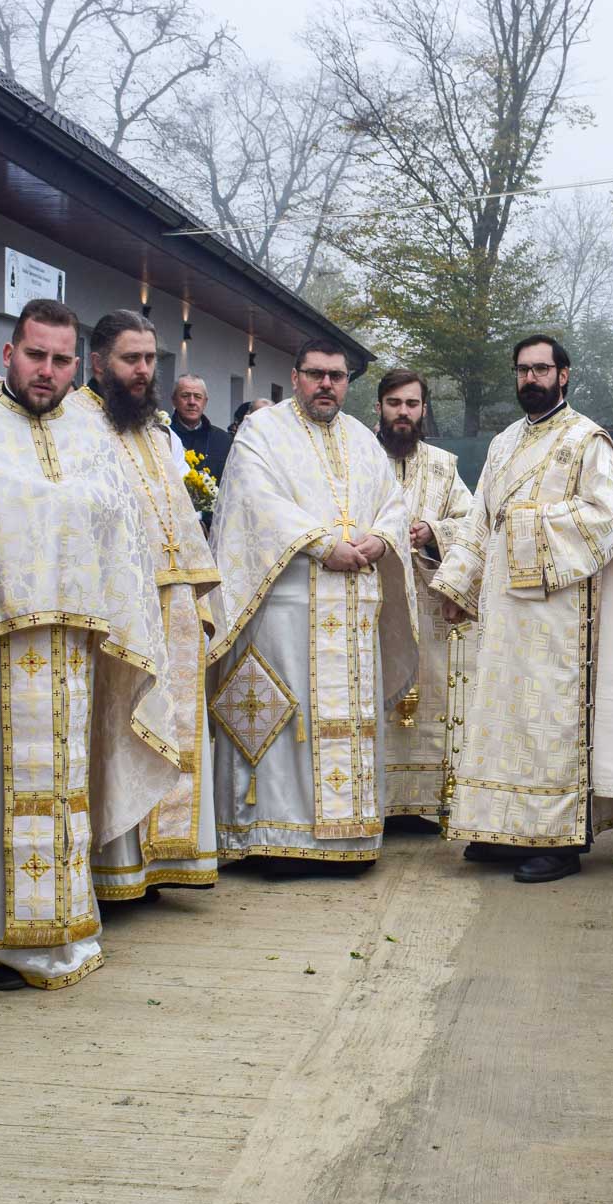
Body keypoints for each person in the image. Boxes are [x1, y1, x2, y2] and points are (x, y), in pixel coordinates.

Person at [0, 299, 180, 992]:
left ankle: (63, 925)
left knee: (61, 793)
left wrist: (120, 629)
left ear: (78, 365)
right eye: (36, 355)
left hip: (71, 652)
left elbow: (119, 537)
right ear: (9, 354)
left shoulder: (93, 429)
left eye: (62, 359)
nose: (48, 370)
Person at [206, 339, 418, 872]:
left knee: (348, 717)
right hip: (287, 604)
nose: (327, 385)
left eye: (338, 376)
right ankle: (277, 838)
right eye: (317, 374)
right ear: (296, 376)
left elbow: (392, 502)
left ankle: (350, 838)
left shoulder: (362, 440)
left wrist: (382, 539)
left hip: (352, 609)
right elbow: (256, 501)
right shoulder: (263, 431)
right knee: (284, 719)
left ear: (348, 383)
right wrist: (324, 543)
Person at [430, 334, 613, 884]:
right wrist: (456, 584)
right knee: (501, 721)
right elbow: (480, 518)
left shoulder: (587, 440)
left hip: (558, 614)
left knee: (549, 724)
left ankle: (558, 839)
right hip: (502, 612)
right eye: (522, 370)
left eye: (541, 369)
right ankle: (502, 828)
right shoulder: (501, 443)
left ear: (563, 375)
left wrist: (528, 526)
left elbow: (612, 516)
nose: (530, 379)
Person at [78, 316, 221, 902]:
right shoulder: (77, 426)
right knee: (116, 731)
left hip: (174, 602)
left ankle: (155, 867)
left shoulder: (160, 433)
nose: (141, 372)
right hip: (119, 607)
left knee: (173, 726)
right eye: (129, 359)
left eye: (148, 360)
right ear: (97, 364)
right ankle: (113, 867)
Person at [375, 369, 474, 831]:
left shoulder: (443, 465)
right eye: (394, 403)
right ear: (379, 406)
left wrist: (435, 531)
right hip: (374, 599)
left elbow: (473, 523)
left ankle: (421, 804)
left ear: (423, 409)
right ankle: (374, 798)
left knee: (431, 697)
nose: (403, 413)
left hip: (428, 598)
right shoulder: (360, 455)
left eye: (412, 405)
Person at [169, 374, 232, 517]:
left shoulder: (224, 441)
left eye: (197, 397)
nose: (192, 402)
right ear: (174, 400)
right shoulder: (162, 436)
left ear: (205, 402)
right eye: (185, 396)